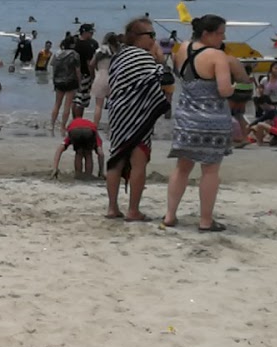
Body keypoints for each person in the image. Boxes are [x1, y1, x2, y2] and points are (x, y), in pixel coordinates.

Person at [165, 15, 235, 232]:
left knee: (182, 167)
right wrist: (234, 86)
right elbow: (223, 90)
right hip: (212, 120)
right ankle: (205, 220)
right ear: (207, 33)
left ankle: (170, 215)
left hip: (186, 117)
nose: (223, 37)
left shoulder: (182, 49)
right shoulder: (217, 56)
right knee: (210, 170)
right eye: (221, 33)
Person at [105, 17, 171, 222]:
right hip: (137, 115)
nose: (154, 39)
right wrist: (161, 60)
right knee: (138, 160)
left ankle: (112, 207)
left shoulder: (120, 56)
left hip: (118, 114)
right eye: (150, 35)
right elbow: (165, 79)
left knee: (116, 159)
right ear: (137, 37)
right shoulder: (141, 57)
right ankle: (133, 210)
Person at [54, 107, 102, 177]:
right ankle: (88, 175)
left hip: (74, 130)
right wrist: (101, 171)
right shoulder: (94, 131)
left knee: (79, 153)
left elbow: (59, 149)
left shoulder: (73, 125)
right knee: (88, 154)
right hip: (89, 130)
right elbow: (101, 153)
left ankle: (78, 175)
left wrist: (55, 168)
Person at [49, 36, 81, 129]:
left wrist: (54, 81)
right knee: (67, 105)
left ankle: (52, 124)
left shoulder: (57, 54)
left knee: (57, 104)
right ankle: (63, 126)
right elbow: (77, 70)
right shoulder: (74, 54)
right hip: (71, 81)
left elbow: (53, 68)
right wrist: (79, 83)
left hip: (58, 81)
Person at [91, 32, 119, 125]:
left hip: (100, 76)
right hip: (113, 77)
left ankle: (95, 125)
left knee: (98, 105)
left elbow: (91, 64)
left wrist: (94, 72)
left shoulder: (99, 50)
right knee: (114, 105)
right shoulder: (117, 51)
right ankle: (113, 125)